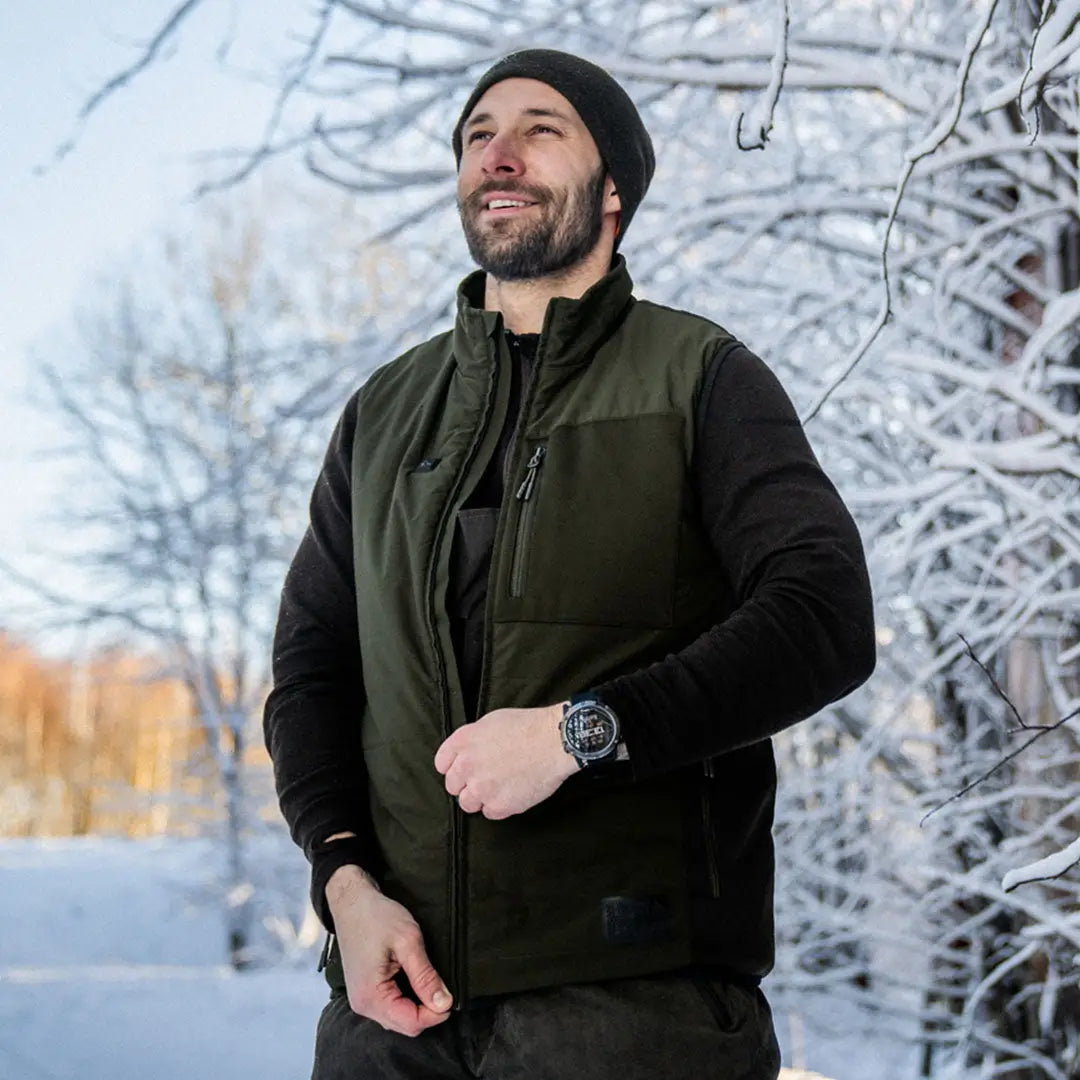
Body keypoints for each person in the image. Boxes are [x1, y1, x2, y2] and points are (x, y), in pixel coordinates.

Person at [265, 47, 876, 1080]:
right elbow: (312, 673)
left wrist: (584, 733)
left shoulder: (701, 377)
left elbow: (824, 615)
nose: (497, 155)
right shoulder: (381, 414)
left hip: (631, 1013)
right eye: (476, 135)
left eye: (540, 129)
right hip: (391, 1014)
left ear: (613, 191)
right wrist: (345, 885)